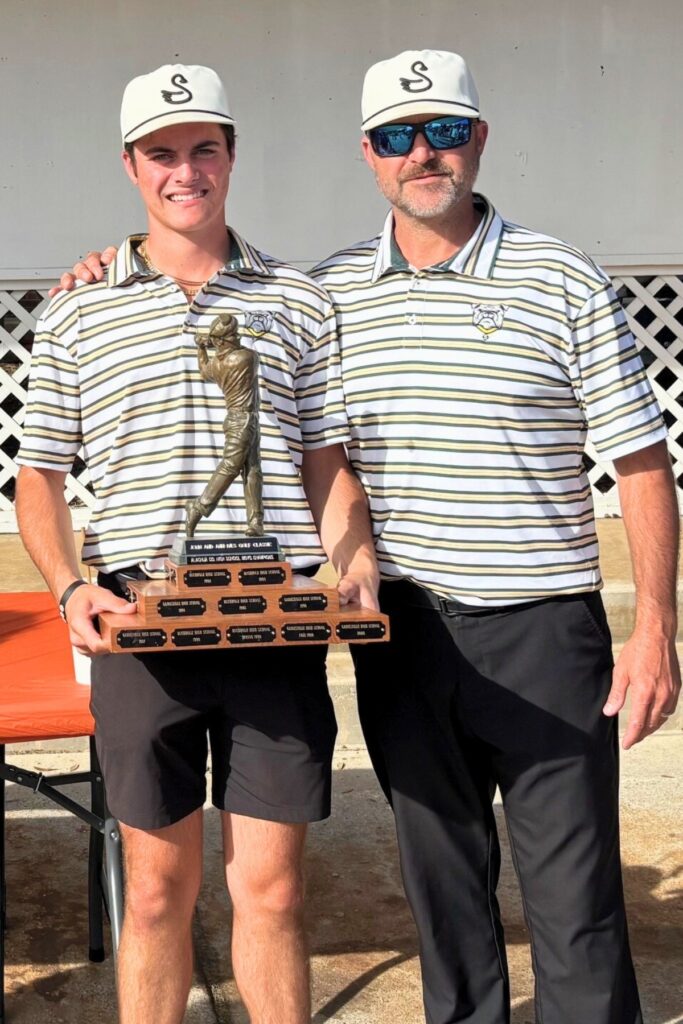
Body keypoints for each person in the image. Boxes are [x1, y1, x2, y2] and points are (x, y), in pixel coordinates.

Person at [55, 49, 681, 1024]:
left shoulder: (556, 278)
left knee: (572, 900)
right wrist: (102, 267)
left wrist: (652, 630)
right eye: (396, 134)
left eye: (440, 130)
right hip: (403, 633)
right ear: (367, 153)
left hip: (541, 625)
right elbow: (315, 445)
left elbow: (640, 462)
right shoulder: (327, 291)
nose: (419, 152)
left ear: (476, 139)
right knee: (440, 887)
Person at [16, 63, 378, 1024]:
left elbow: (324, 460)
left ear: (231, 155)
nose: (187, 171)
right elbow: (39, 477)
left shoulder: (296, 300)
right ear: (131, 165)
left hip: (275, 620)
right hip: (144, 622)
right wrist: (68, 589)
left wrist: (354, 561)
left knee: (273, 893)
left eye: (203, 148)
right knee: (155, 893)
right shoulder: (78, 307)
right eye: (163, 152)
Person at [185, 312, 263, 537]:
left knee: (253, 471)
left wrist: (202, 348)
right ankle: (199, 507)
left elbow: (203, 370)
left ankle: (255, 521)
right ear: (222, 340)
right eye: (233, 335)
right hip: (242, 420)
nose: (237, 337)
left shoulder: (216, 366)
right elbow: (251, 353)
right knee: (230, 466)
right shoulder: (244, 358)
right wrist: (211, 343)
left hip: (246, 419)